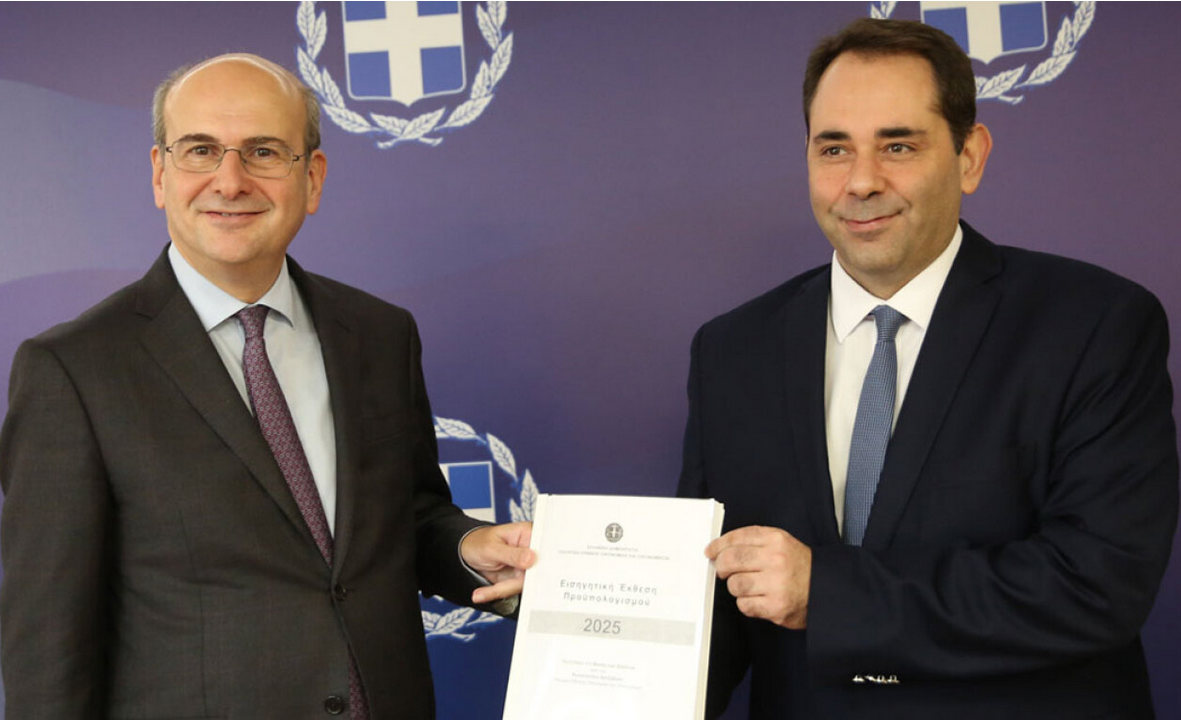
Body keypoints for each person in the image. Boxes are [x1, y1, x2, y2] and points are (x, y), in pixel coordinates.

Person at [0, 53, 533, 719]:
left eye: (263, 151)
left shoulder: (379, 334)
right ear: (161, 173)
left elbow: (406, 519)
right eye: (200, 150)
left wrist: (465, 548)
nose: (230, 180)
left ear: (312, 178)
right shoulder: (72, 369)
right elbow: (47, 646)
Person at [678, 18, 1178, 719]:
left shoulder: (1093, 324)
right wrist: (567, 608)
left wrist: (829, 592)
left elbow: (1096, 585)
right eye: (833, 148)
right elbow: (713, 605)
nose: (860, 181)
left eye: (898, 146)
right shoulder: (731, 350)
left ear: (969, 157)